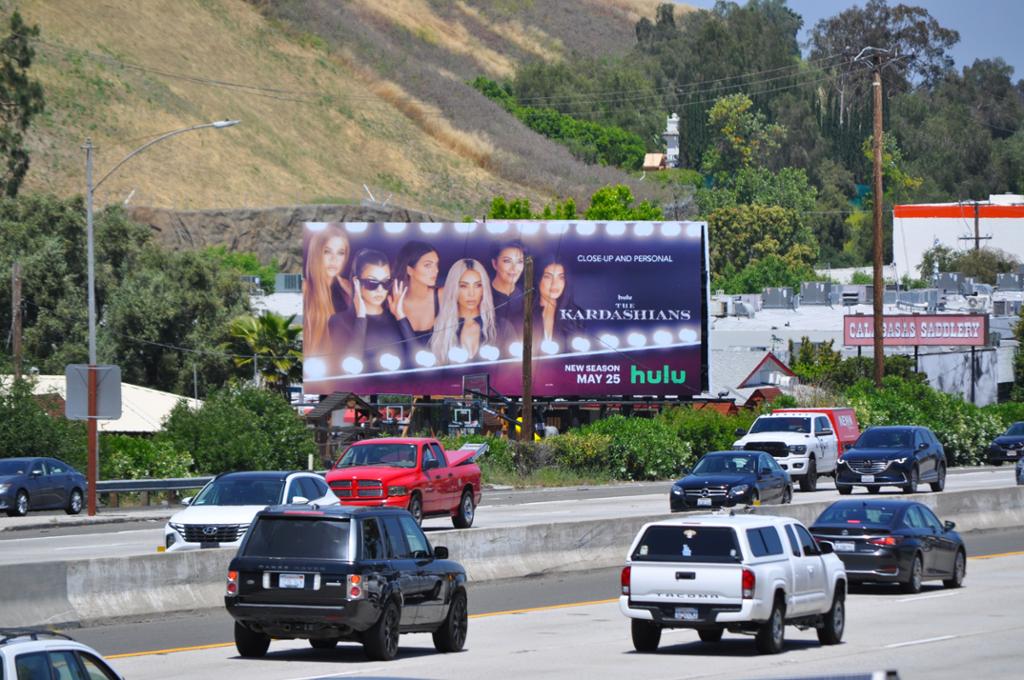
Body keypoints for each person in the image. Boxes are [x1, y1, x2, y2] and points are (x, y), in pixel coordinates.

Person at [330, 249, 413, 370]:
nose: (380, 289)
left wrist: (401, 316)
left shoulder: (397, 319)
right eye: (372, 283)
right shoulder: (339, 321)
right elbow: (347, 369)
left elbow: (419, 362)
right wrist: (361, 319)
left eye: (386, 283)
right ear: (356, 282)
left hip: (400, 387)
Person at [430, 258, 513, 364]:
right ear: (453, 289)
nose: (471, 293)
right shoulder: (440, 329)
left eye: (477, 285)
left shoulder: (502, 327)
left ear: (484, 289)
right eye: (463, 286)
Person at [303, 223, 352, 356]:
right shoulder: (305, 289)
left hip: (343, 363)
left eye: (340, 253)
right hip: (314, 363)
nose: (334, 259)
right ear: (316, 253)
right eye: (327, 251)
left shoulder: (347, 291)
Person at [393, 241, 443, 345]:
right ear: (409, 270)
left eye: (436, 264)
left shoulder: (442, 296)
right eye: (428, 265)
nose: (436, 270)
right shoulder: (393, 302)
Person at [532, 254, 582, 355]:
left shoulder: (576, 314)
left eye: (561, 277)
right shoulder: (523, 313)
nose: (555, 283)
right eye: (548, 277)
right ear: (538, 280)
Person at [489, 240, 526, 333]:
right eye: (507, 261)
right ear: (494, 264)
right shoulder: (482, 295)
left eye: (519, 262)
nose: (514, 268)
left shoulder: (527, 297)